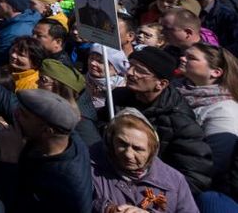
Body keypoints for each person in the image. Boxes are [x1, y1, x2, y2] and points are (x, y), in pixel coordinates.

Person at [109, 46, 214, 193]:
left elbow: (195, 178)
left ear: (161, 84)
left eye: (140, 71)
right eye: (130, 66)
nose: (130, 73)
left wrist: (152, 196)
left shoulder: (179, 121)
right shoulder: (117, 98)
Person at [89, 109, 198, 213]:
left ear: (152, 151)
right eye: (122, 144)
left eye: (137, 149)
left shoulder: (174, 182)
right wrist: (106, 209)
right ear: (111, 140)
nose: (128, 154)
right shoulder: (91, 171)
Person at [176, 42, 238, 177]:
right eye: (184, 55)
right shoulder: (175, 91)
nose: (182, 58)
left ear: (215, 72)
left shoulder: (224, 110)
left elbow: (215, 162)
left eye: (191, 58)